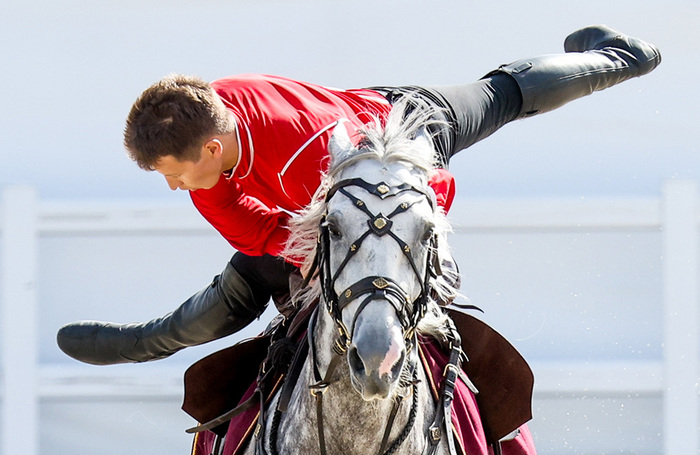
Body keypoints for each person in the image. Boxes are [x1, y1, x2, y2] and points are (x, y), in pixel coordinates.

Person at [57, 24, 661, 365]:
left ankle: (623, 56)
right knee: (232, 297)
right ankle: (143, 343)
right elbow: (255, 233)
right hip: (323, 189)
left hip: (398, 136)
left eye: (176, 173)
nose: (173, 185)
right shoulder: (200, 114)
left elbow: (428, 191)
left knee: (503, 96)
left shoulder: (301, 153)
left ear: (212, 149)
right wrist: (304, 253)